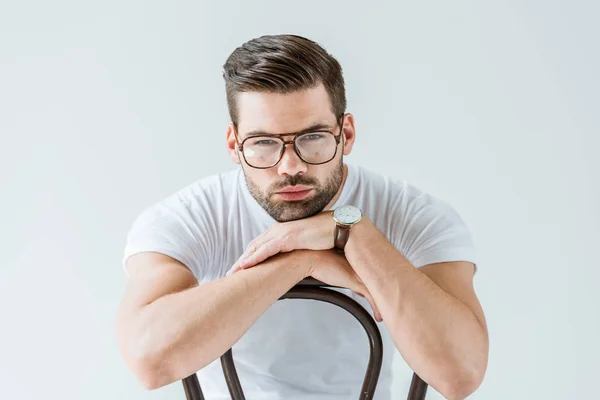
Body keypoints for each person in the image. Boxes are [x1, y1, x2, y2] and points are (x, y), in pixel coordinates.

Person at [116, 34, 489, 400]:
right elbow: (150, 362)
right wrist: (301, 258)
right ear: (234, 145)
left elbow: (460, 376)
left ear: (346, 133)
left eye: (312, 137)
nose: (289, 166)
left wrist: (353, 230)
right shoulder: (191, 215)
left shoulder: (413, 214)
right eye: (263, 143)